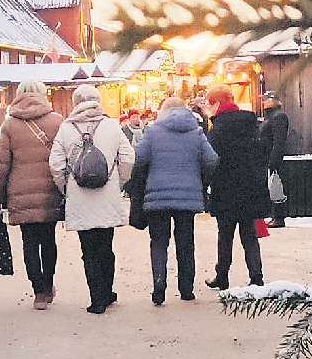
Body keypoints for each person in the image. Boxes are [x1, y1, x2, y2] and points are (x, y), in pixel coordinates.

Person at [49, 84, 134, 314]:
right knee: (106, 246)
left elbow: (56, 164)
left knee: (88, 250)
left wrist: (66, 187)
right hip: (107, 194)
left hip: (79, 196)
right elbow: (127, 158)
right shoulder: (112, 126)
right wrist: (119, 182)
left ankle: (96, 299)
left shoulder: (66, 129)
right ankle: (108, 292)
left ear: (76, 102)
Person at [131, 97, 218, 305]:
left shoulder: (152, 131)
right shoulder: (196, 132)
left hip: (157, 197)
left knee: (159, 242)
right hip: (187, 197)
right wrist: (200, 178)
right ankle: (186, 289)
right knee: (186, 242)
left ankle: (159, 284)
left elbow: (138, 158)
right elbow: (212, 159)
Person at [0, 81, 64, 310]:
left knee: (29, 243)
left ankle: (38, 292)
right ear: (43, 94)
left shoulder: (10, 125)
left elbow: (0, 165)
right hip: (50, 191)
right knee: (48, 240)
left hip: (20, 193)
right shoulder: (57, 121)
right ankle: (49, 284)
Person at [203, 84, 271, 290]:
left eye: (208, 104)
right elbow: (262, 151)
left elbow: (210, 159)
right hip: (250, 186)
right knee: (249, 234)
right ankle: (256, 277)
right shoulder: (251, 123)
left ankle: (222, 275)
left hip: (225, 188)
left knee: (225, 235)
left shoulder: (218, 128)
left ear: (216, 103)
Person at [259, 91, 290, 228]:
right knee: (272, 187)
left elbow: (279, 141)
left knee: (276, 188)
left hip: (273, 159)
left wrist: (274, 160)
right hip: (266, 158)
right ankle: (274, 215)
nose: (264, 101)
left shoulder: (278, 117)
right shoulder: (270, 118)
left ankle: (278, 217)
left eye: (267, 99)